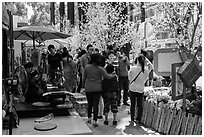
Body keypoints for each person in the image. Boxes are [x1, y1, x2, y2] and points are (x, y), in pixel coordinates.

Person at [81, 53, 116, 127]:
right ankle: (95, 121)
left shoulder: (87, 67)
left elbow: (83, 79)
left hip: (88, 88)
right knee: (95, 104)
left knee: (89, 104)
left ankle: (89, 118)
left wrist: (83, 86)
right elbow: (107, 76)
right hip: (97, 88)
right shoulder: (100, 68)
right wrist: (114, 75)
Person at [128, 54, 153, 124]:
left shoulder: (132, 68)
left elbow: (129, 78)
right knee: (140, 105)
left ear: (137, 60)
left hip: (132, 88)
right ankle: (138, 119)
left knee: (132, 104)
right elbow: (151, 66)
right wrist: (146, 60)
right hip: (140, 89)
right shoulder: (145, 70)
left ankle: (132, 118)